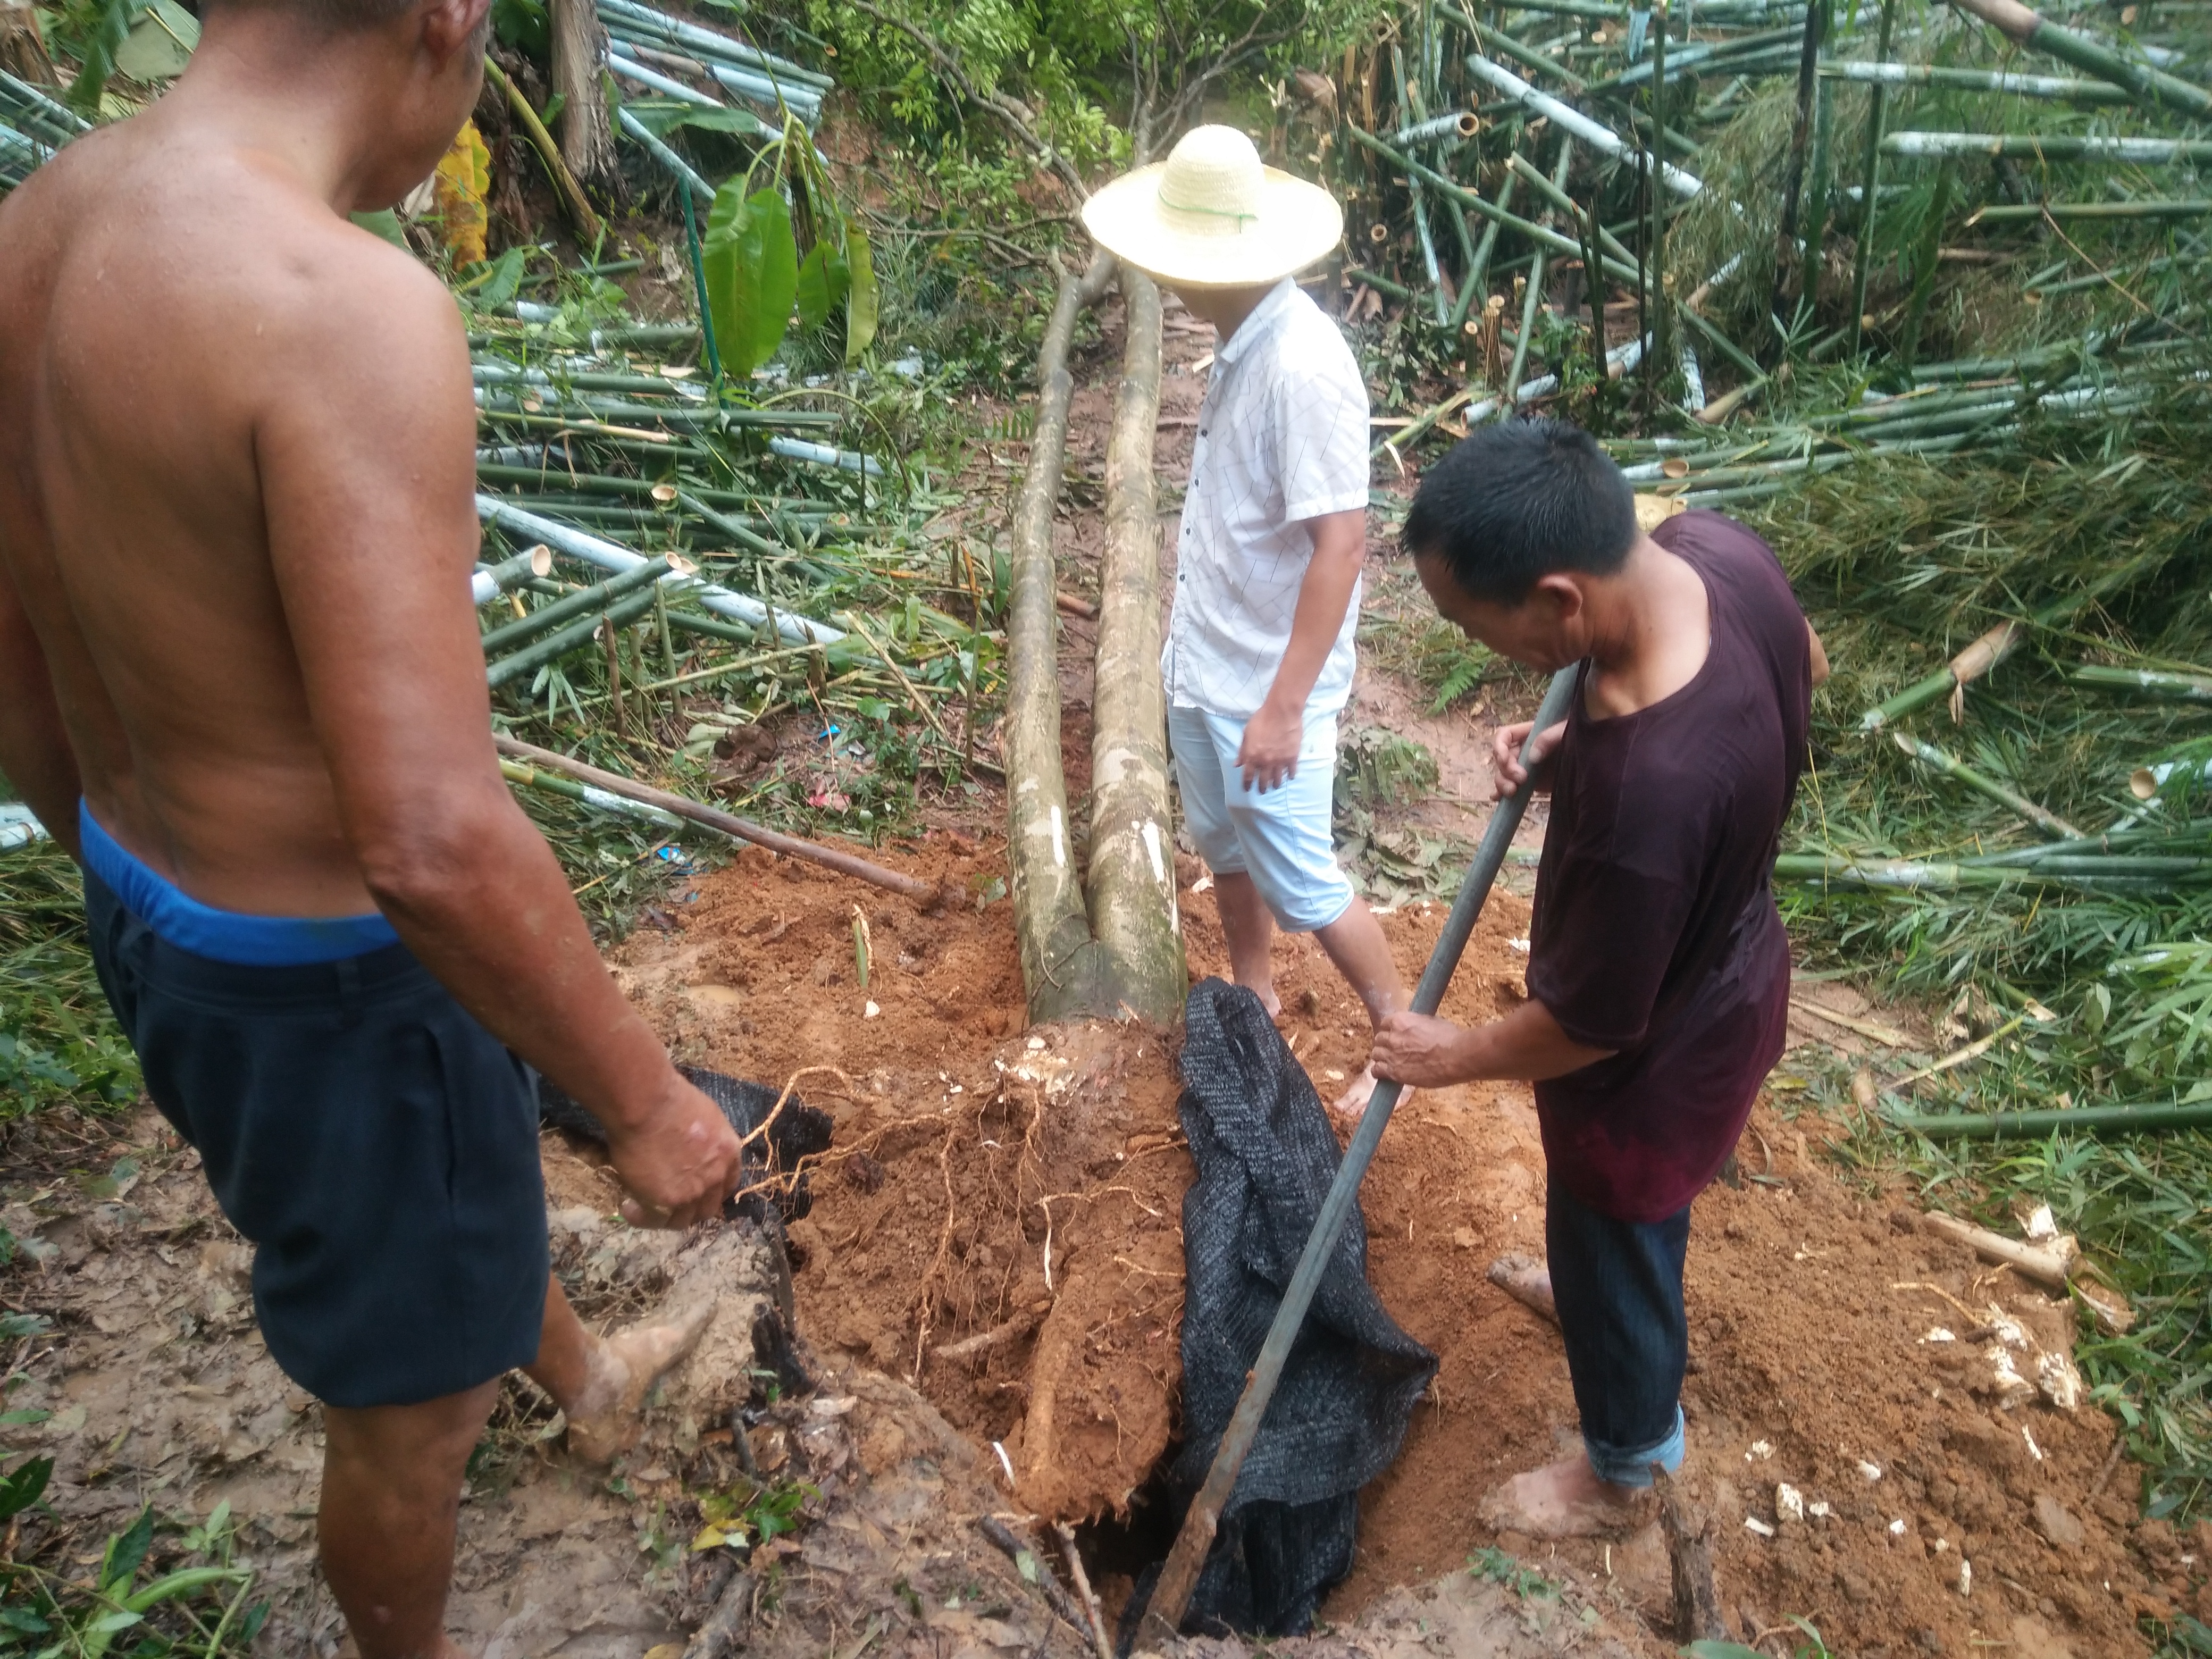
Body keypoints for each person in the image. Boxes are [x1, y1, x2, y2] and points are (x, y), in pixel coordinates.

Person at [0, 1, 750, 1652]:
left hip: (153, 899)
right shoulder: (332, 307)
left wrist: (131, 887)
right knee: (407, 1417)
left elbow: (19, 660)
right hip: (333, 984)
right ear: (446, 17)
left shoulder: (45, 222)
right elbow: (427, 842)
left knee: (450, 1191)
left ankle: (589, 1376)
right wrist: (648, 1105)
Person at [1369, 419, 1828, 1537]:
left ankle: (1624, 1466)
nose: (1484, 651)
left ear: (1563, 603)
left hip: (1649, 1072)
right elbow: (1801, 659)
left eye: (1481, 627)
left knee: (1615, 1235)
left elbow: (1587, 1027)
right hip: (1732, 964)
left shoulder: (1647, 795)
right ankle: (1592, 1306)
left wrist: (1450, 1057)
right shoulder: (1708, 552)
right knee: (1607, 1244)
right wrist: (1578, 744)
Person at [1080, 125, 1405, 1114]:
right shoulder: (1241, 343)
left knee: (1303, 874)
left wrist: (1285, 706)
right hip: (1206, 663)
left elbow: (1341, 547)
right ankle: (1256, 988)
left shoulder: (1302, 367)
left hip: (1269, 683)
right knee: (1225, 847)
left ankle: (1401, 1034)